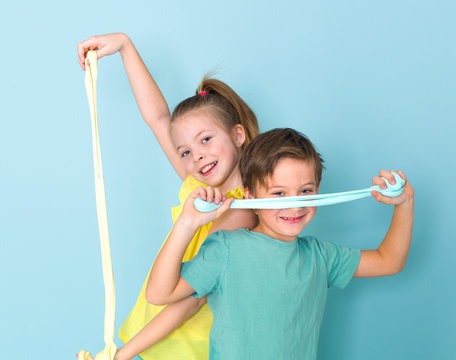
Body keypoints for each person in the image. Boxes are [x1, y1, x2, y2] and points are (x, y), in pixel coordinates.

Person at [146, 128, 415, 359]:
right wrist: (187, 223)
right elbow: (159, 294)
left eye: (306, 191)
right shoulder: (225, 249)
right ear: (250, 195)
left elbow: (389, 260)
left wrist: (404, 205)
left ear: (318, 189)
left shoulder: (320, 256)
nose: (294, 204)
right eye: (279, 193)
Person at [77, 33, 259, 360]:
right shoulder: (197, 183)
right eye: (186, 151)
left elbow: (193, 300)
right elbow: (158, 118)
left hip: (189, 344)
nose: (197, 157)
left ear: (238, 135)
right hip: (159, 333)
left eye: (206, 140)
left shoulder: (239, 212)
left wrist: (124, 354)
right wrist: (124, 46)